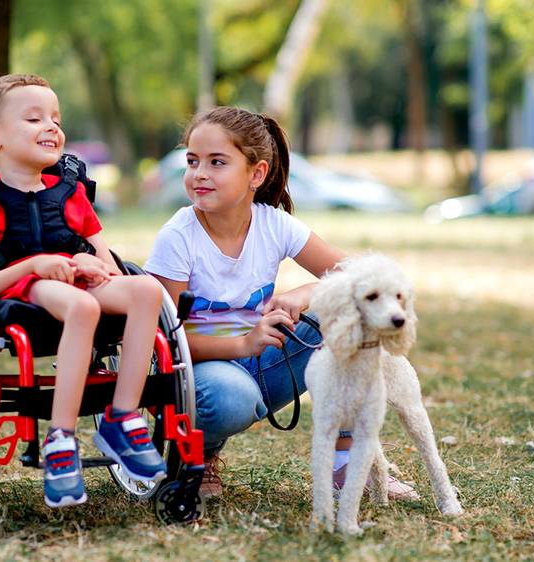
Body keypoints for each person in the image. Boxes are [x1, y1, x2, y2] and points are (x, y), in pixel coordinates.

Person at [143, 107, 417, 500]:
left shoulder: (274, 224)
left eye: (216, 162)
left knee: (350, 307)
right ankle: (197, 458)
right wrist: (243, 344)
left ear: (256, 173)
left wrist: (303, 294)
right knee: (233, 397)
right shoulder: (178, 237)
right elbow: (164, 340)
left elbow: (361, 275)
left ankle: (346, 466)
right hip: (196, 371)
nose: (199, 173)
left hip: (261, 363)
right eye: (192, 161)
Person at [0, 74, 167, 509]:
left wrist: (92, 263)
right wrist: (31, 266)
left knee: (146, 290)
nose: (52, 126)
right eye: (34, 118)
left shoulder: (71, 195)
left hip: (77, 284)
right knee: (82, 305)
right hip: (19, 295)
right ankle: (60, 439)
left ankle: (122, 417)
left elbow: (109, 266)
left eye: (55, 117)